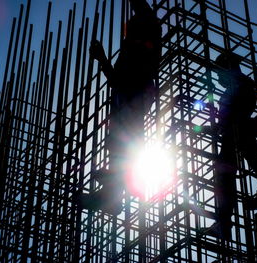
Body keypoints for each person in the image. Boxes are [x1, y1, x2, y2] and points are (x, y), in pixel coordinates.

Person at [79, 0, 161, 215]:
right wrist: (103, 59)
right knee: (119, 143)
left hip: (134, 95)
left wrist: (104, 60)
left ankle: (112, 195)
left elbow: (125, 78)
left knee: (123, 142)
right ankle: (110, 193)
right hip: (128, 96)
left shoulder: (142, 42)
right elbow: (119, 79)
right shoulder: (136, 46)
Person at [212, 51, 257, 239]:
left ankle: (224, 223)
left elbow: (233, 114)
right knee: (254, 163)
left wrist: (223, 123)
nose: (218, 78)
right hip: (238, 131)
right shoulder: (242, 85)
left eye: (220, 73)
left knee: (224, 176)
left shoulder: (240, 84)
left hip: (235, 133)